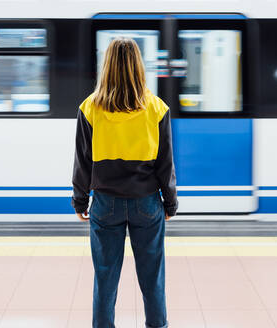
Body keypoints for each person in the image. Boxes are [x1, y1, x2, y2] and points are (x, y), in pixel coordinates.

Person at [71, 37, 178, 328]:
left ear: (107, 67)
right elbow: (165, 164)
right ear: (138, 67)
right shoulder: (157, 109)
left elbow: (83, 161)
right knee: (152, 278)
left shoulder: (90, 108)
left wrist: (80, 200)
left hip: (105, 205)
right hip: (147, 203)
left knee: (105, 279)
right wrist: (170, 203)